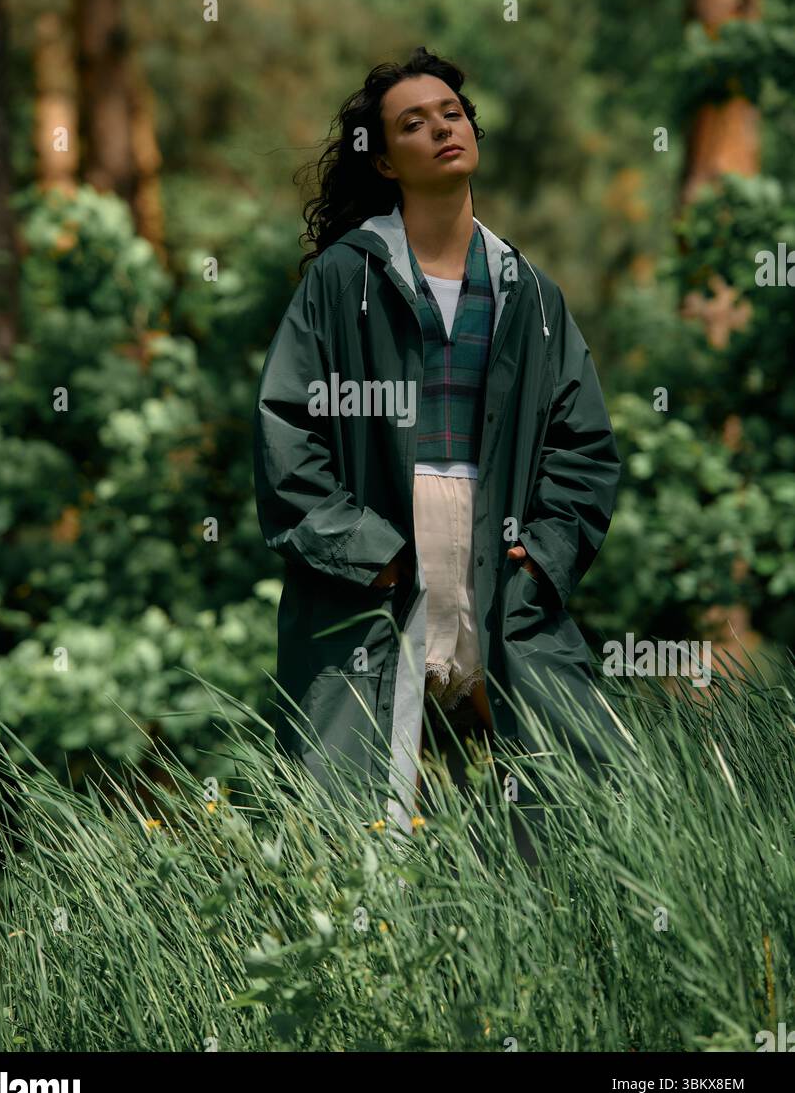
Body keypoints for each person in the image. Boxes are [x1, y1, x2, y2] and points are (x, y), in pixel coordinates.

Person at [252, 45, 623, 844]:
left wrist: (544, 555)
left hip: (501, 560)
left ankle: (543, 959)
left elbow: (583, 444)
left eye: (451, 113)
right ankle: (358, 964)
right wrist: (370, 552)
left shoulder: (532, 292)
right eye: (412, 124)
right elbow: (288, 429)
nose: (441, 129)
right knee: (348, 822)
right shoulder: (341, 282)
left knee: (571, 805)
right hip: (383, 559)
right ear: (384, 161)